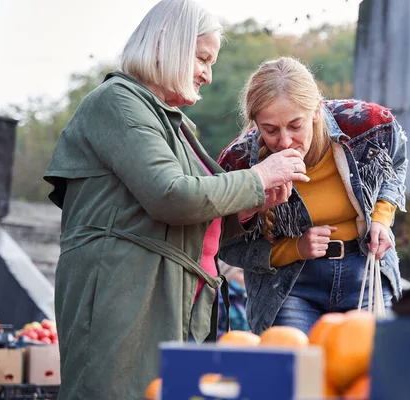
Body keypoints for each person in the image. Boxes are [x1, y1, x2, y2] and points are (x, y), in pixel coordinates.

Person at [42, 3, 308, 399]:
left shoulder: (172, 122)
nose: (208, 74)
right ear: (168, 47)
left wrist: (251, 204)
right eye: (202, 58)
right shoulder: (118, 101)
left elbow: (197, 212)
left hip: (168, 297)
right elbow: (170, 197)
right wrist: (257, 177)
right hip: (125, 294)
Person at [218, 56, 409, 335]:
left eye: (296, 126)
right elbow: (226, 245)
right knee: (295, 375)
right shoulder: (238, 162)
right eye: (270, 130)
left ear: (317, 110)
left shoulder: (367, 125)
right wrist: (294, 249)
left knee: (371, 373)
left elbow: (396, 164)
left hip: (365, 271)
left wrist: (381, 217)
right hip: (288, 288)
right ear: (255, 123)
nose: (284, 141)